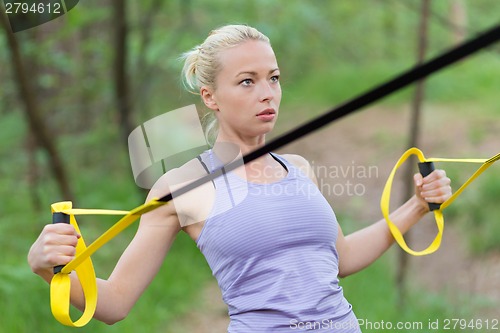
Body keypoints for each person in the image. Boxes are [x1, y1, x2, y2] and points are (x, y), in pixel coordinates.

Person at [28, 24, 452, 332]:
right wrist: (51, 272)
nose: (267, 93)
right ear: (210, 96)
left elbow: (339, 260)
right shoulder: (182, 186)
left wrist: (417, 207)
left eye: (273, 78)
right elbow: (116, 302)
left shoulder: (298, 169)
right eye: (247, 82)